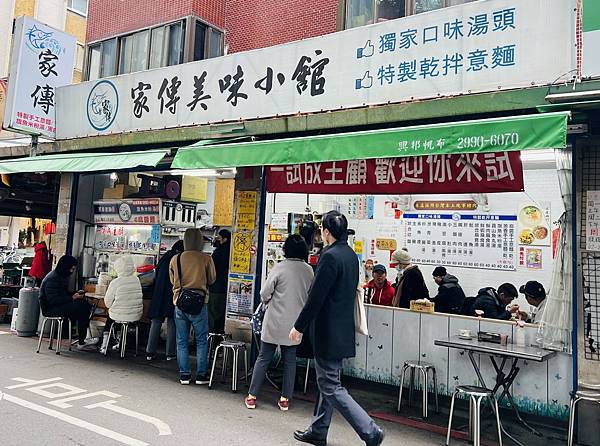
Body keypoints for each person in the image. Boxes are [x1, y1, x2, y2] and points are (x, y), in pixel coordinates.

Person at [290, 210, 384, 446]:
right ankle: (319, 430)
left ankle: (370, 431)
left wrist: (299, 326)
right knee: (327, 382)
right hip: (342, 330)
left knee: (331, 386)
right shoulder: (351, 256)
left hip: (328, 330)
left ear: (326, 232)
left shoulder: (329, 256)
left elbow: (316, 297)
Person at [245, 234, 313, 412]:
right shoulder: (309, 270)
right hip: (295, 324)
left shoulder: (279, 267)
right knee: (290, 361)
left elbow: (264, 293)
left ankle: (252, 396)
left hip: (274, 320)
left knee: (264, 357)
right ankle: (285, 399)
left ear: (286, 250)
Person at [170, 228, 216, 385]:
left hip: (180, 302)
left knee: (181, 340)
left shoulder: (175, 259)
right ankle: (201, 376)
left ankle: (184, 375)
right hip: (199, 303)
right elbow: (212, 279)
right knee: (201, 340)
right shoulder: (206, 259)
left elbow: (173, 280)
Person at [39, 255, 95, 350]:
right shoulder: (53, 278)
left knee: (83, 305)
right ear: (65, 267)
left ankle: (82, 339)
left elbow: (62, 294)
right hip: (50, 309)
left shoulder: (60, 276)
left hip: (57, 306)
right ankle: (82, 341)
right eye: (71, 269)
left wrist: (75, 293)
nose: (72, 271)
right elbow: (53, 300)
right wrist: (72, 297)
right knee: (83, 307)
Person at [146, 240, 184, 361]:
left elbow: (155, 274)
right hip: (171, 294)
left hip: (158, 294)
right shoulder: (178, 259)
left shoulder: (164, 258)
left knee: (156, 322)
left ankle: (150, 352)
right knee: (172, 323)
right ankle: (170, 354)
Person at [99, 255, 143, 354]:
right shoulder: (137, 280)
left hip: (118, 315)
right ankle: (121, 342)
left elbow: (107, 303)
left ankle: (104, 345)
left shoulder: (116, 282)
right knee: (123, 317)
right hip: (136, 315)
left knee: (111, 318)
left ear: (118, 268)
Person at [209, 229, 231, 334]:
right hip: (227, 288)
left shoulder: (217, 253)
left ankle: (212, 341)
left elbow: (211, 269)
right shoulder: (232, 252)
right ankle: (219, 336)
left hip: (216, 288)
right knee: (222, 315)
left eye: (219, 238)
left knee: (213, 315)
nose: (217, 239)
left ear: (225, 239)